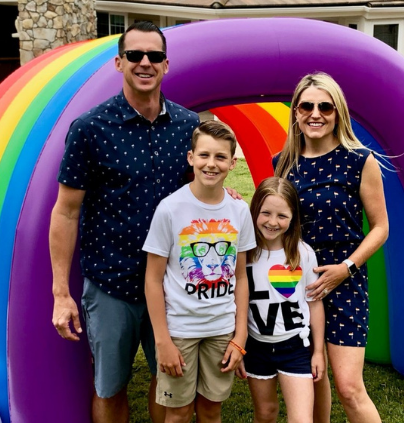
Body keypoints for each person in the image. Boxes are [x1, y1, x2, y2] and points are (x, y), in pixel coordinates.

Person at [50, 21, 199, 423]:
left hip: (171, 283)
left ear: (167, 64)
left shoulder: (190, 127)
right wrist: (61, 293)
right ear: (119, 63)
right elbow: (65, 211)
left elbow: (201, 192)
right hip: (111, 282)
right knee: (109, 385)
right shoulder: (90, 129)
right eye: (135, 55)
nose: (145, 62)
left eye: (154, 56)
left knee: (167, 379)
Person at [274, 73, 389, 423]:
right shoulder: (283, 164)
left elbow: (381, 227)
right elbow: (273, 219)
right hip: (298, 284)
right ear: (295, 112)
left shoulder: (360, 160)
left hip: (346, 281)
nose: (316, 113)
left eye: (326, 106)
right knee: (313, 376)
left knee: (350, 389)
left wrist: (347, 268)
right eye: (307, 105)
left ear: (338, 113)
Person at [143, 120, 256, 423]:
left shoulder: (239, 211)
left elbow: (242, 276)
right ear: (191, 157)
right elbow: (152, 280)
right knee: (177, 412)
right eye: (204, 155)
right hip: (179, 332)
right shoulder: (170, 209)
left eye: (220, 157)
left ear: (233, 163)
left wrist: (240, 334)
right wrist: (162, 340)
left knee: (211, 409)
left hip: (221, 330)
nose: (211, 164)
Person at [236, 176, 325, 423]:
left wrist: (318, 351)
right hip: (255, 347)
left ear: (293, 217)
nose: (273, 222)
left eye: (282, 216)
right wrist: (237, 345)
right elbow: (236, 303)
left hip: (295, 347)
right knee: (265, 413)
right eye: (265, 213)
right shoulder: (243, 252)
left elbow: (314, 303)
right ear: (254, 211)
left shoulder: (303, 253)